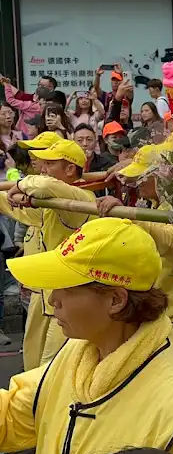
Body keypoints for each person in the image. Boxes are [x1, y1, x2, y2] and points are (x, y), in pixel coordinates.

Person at [2, 218, 173, 454]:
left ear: (116, 300)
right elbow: (14, 414)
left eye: (67, 287)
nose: (53, 299)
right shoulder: (79, 351)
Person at [96, 144, 173, 383]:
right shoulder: (154, 206)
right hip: (163, 312)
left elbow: (170, 241)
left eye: (144, 177)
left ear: (164, 178)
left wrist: (125, 212)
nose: (138, 183)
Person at [0, 139, 97, 367]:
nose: (42, 168)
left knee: (50, 367)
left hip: (71, 297)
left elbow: (43, 185)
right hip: (47, 293)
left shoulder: (80, 196)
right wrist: (17, 191)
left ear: (70, 169)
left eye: (49, 164)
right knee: (33, 359)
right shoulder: (52, 202)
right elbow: (12, 203)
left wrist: (20, 184)